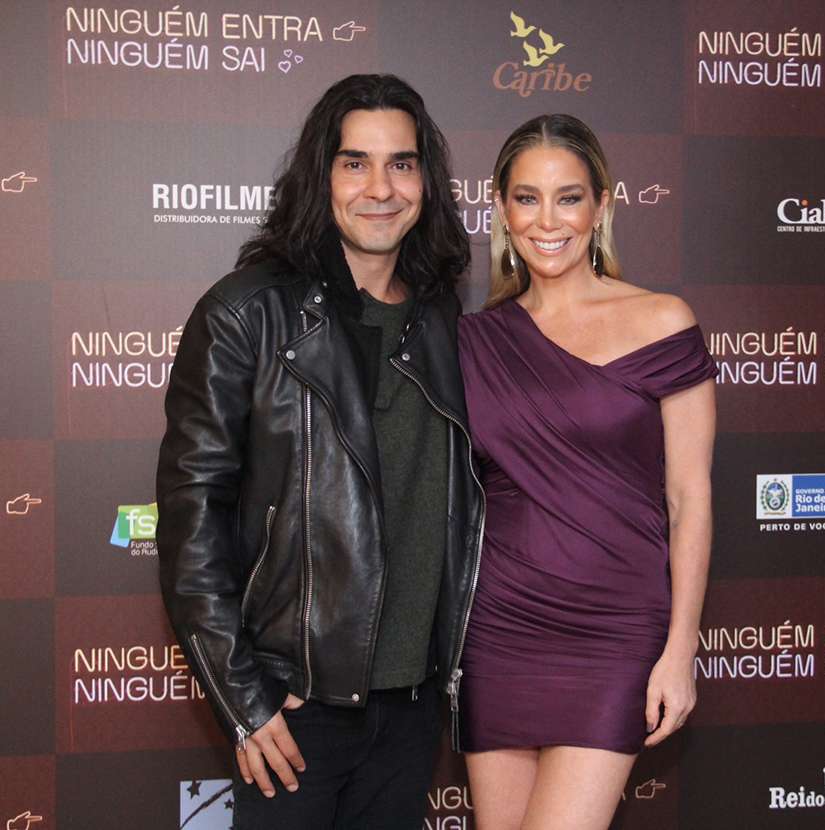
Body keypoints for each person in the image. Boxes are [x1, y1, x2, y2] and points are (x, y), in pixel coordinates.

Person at [156, 74, 483, 830]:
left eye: (402, 164)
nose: (381, 188)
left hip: (413, 707)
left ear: (426, 181)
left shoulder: (441, 318)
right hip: (294, 708)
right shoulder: (246, 313)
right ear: (321, 175)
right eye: (354, 162)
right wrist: (244, 697)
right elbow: (192, 519)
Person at [455, 114, 717, 829]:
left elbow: (690, 497)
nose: (548, 221)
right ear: (502, 209)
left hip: (615, 629)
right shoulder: (472, 341)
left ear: (602, 205)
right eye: (527, 198)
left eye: (568, 198)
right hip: (500, 624)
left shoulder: (663, 322)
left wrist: (680, 649)